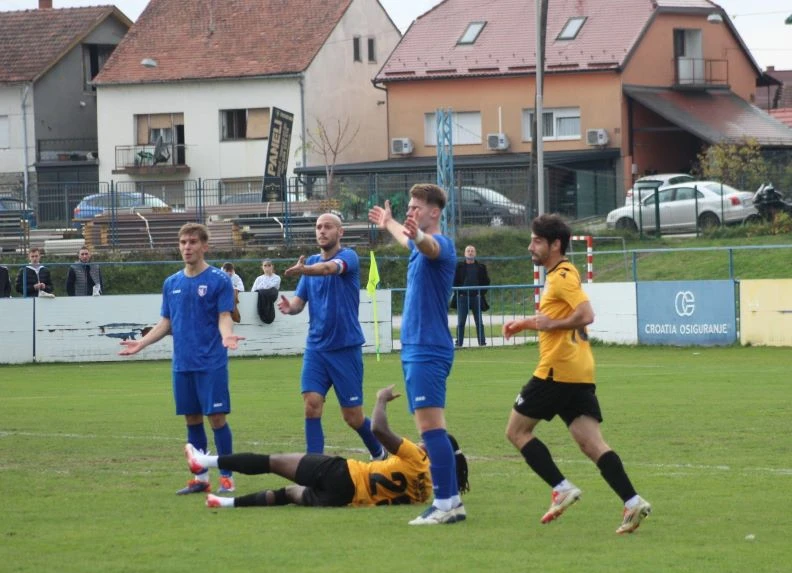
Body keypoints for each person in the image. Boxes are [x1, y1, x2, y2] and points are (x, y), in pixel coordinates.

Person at [502, 213, 651, 534]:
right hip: (579, 372)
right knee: (591, 444)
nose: (531, 246)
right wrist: (524, 323)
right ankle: (632, 501)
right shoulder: (559, 275)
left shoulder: (562, 275)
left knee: (516, 432)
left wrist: (552, 324)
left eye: (537, 241)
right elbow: (553, 316)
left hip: (557, 371)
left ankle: (561, 487)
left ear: (555, 245)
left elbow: (586, 314)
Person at [184, 385, 469, 510]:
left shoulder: (419, 458)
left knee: (272, 461)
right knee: (285, 495)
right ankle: (224, 502)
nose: (421, 441)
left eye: (427, 442)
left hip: (342, 474)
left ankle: (204, 462)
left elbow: (378, 429)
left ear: (434, 451)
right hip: (342, 500)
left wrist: (381, 399)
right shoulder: (427, 492)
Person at [119, 223, 245, 495]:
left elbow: (225, 316)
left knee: (217, 418)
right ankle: (200, 478)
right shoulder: (171, 283)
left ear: (204, 246)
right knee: (192, 419)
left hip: (211, 362)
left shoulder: (219, 280)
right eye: (183, 242)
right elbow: (166, 322)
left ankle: (226, 476)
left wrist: (227, 336)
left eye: (192, 242)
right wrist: (141, 343)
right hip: (183, 363)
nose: (187, 247)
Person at [368, 183, 463, 525]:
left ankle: (446, 503)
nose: (410, 211)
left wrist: (418, 237)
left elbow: (429, 245)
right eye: (408, 207)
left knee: (430, 429)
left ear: (434, 212)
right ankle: (451, 502)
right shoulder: (414, 245)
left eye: (415, 208)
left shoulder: (443, 246)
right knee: (431, 428)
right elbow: (409, 240)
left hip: (428, 348)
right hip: (416, 348)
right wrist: (389, 223)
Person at [277, 213, 385, 460]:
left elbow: (328, 269)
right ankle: (314, 465)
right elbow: (298, 302)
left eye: (327, 227)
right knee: (311, 405)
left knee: (353, 417)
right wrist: (289, 307)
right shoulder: (311, 264)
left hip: (345, 348)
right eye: (318, 227)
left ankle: (379, 454)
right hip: (316, 349)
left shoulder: (348, 257)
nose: (322, 231)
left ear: (340, 232)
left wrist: (305, 269)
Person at [452, 244, 490, 347]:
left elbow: (486, 282)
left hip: (476, 298)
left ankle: (482, 343)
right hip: (463, 298)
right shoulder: (459, 267)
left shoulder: (481, 267)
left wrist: (480, 294)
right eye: (468, 251)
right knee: (461, 322)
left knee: (479, 322)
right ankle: (459, 344)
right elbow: (453, 281)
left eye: (472, 251)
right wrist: (459, 294)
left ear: (475, 253)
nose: (470, 252)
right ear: (465, 254)